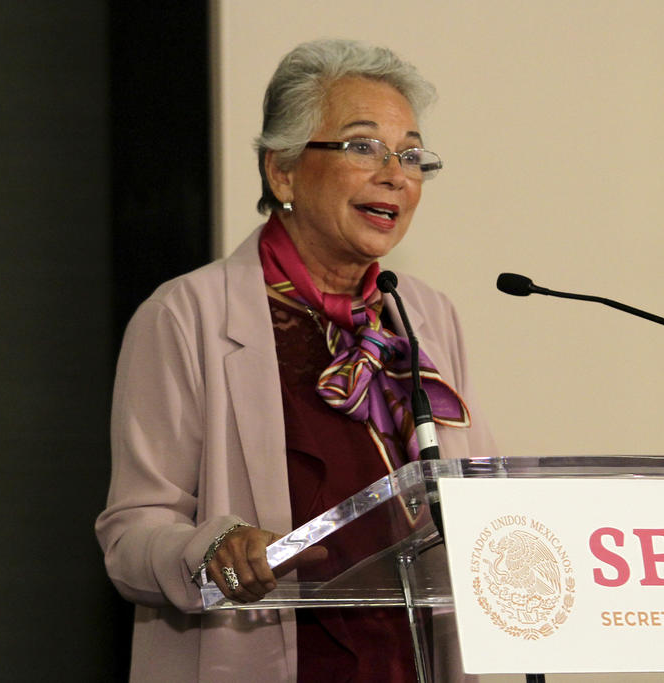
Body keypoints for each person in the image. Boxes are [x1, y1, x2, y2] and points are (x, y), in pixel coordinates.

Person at [95, 39, 497, 682]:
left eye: (410, 155)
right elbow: (131, 537)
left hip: (414, 661)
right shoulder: (186, 315)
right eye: (363, 146)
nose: (395, 174)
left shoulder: (425, 315)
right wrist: (211, 550)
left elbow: (478, 503)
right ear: (282, 170)